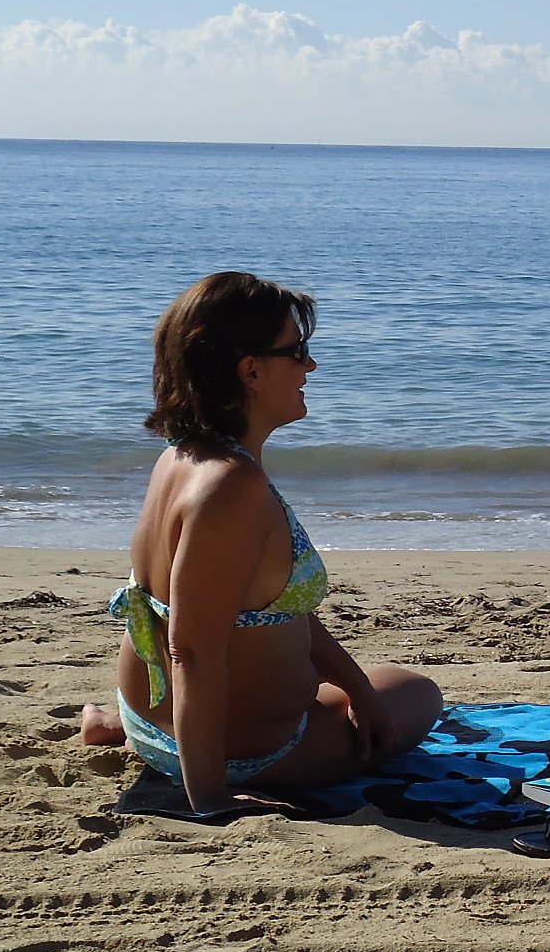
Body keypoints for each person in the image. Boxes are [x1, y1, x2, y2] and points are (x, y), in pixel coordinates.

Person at [80, 272, 442, 814]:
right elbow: (193, 651)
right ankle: (187, 766)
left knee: (371, 689)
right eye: (297, 351)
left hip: (148, 717)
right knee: (418, 692)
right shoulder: (231, 488)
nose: (310, 366)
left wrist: (358, 689)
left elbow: (264, 608)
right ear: (250, 371)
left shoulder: (182, 455)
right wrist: (211, 799)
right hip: (241, 755)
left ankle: (117, 727)